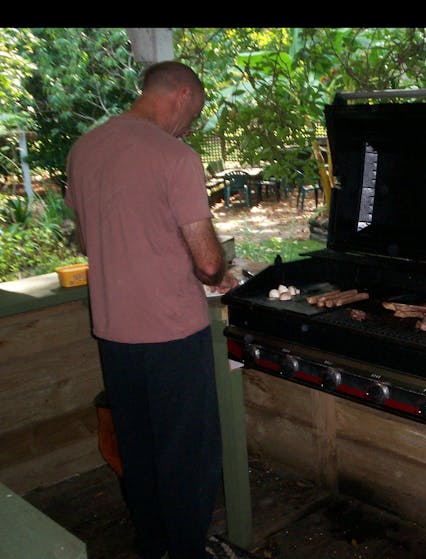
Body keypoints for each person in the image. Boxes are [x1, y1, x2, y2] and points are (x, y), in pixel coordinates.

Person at [65, 60, 238, 559]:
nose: (191, 123)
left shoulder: (84, 149)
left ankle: (153, 547)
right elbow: (207, 263)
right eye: (196, 111)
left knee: (138, 453)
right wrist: (220, 268)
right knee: (187, 454)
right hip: (171, 335)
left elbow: (87, 238)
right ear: (182, 94)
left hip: (114, 332)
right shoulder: (175, 156)